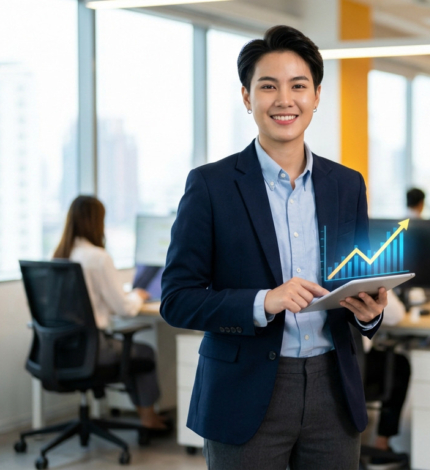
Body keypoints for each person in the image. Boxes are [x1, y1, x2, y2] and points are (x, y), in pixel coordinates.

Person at [160, 25, 387, 470]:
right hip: (244, 390)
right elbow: (176, 300)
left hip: (333, 390)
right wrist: (266, 301)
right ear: (247, 97)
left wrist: (370, 313)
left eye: (298, 85)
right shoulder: (211, 186)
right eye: (269, 86)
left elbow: (356, 282)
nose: (285, 100)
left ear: (317, 95)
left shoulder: (347, 185)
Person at [52, 196, 167, 431]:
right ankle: (148, 418)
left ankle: (146, 415)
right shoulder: (97, 257)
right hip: (94, 350)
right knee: (144, 353)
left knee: (133, 350)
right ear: (96, 222)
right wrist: (139, 295)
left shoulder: (60, 255)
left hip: (60, 348)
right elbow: (123, 309)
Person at [363, 294, 409, 466]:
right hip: (355, 370)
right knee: (400, 365)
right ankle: (381, 445)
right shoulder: (359, 271)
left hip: (320, 368)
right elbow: (396, 316)